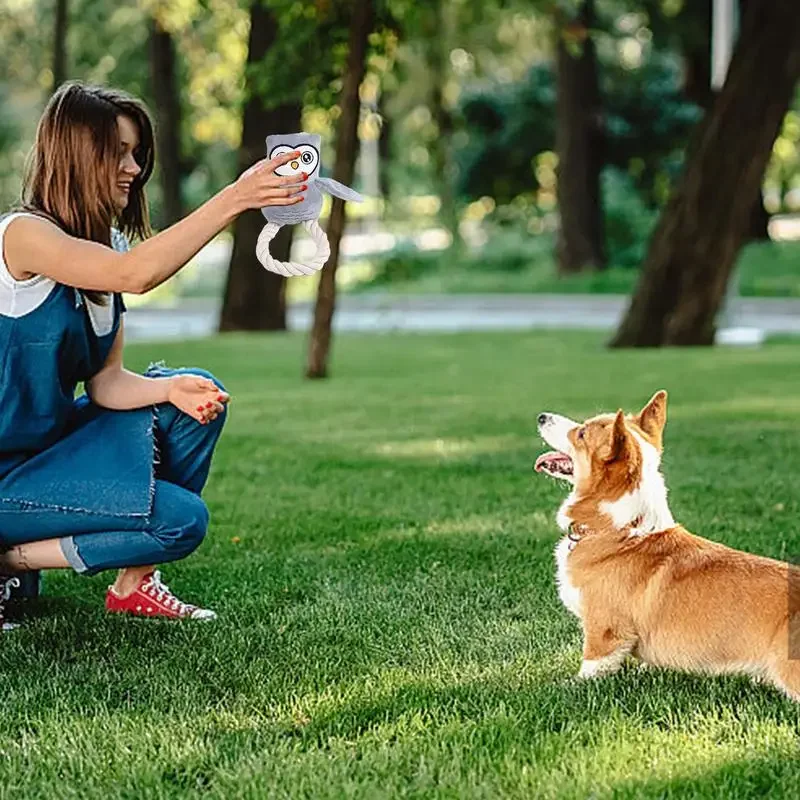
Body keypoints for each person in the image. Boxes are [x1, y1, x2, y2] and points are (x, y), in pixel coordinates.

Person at [0, 81, 309, 627]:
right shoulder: (21, 236)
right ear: (76, 153)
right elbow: (136, 275)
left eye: (137, 153)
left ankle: (128, 583)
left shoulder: (108, 245)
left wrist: (169, 390)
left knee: (193, 399)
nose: (134, 167)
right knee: (180, 521)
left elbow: (107, 383)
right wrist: (237, 197)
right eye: (118, 151)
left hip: (46, 455)